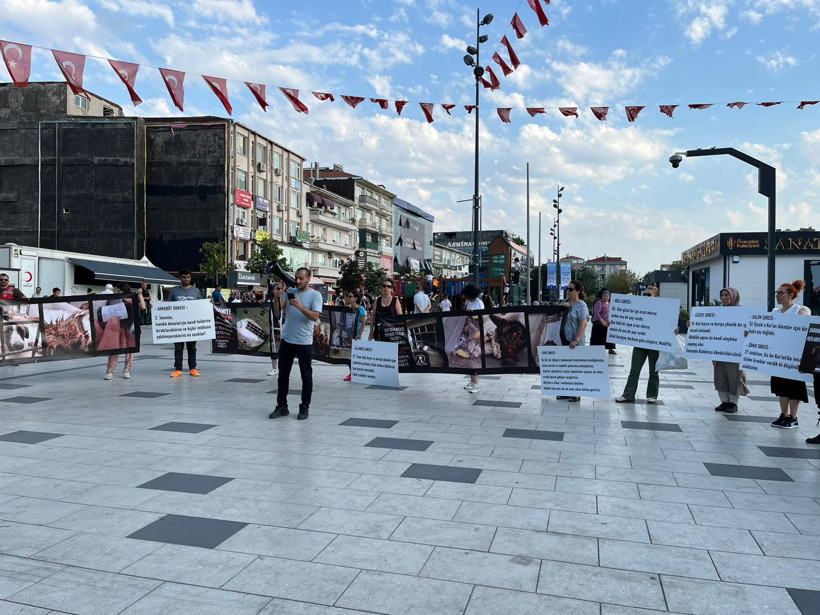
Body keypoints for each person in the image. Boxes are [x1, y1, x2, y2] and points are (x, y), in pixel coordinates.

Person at [269, 268, 323, 421]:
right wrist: (278, 296)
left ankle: (304, 406)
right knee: (283, 376)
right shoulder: (290, 291)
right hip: (287, 340)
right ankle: (281, 406)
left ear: (308, 279)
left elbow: (315, 316)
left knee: (306, 376)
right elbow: (277, 309)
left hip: (304, 342)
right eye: (296, 278)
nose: (298, 281)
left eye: (301, 278)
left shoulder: (315, 295)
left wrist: (300, 306)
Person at [770, 280, 810, 429]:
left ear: (790, 295)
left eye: (781, 293)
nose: (777, 296)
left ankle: (793, 417)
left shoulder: (799, 310)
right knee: (781, 386)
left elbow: (803, 328)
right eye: (777, 293)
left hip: (793, 357)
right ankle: (784, 415)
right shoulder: (775, 312)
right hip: (778, 356)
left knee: (794, 387)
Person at [616, 286, 662, 404]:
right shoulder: (638, 308)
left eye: (649, 295)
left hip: (655, 344)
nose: (646, 296)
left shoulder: (663, 310)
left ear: (656, 297)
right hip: (640, 343)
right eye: (645, 294)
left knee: (654, 371)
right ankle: (628, 394)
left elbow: (668, 327)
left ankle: (652, 394)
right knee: (634, 370)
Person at [713, 287, 749, 414]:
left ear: (733, 296)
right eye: (722, 295)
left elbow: (748, 327)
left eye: (727, 295)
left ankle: (733, 401)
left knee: (734, 374)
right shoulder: (717, 311)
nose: (724, 298)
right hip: (719, 348)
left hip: (735, 350)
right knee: (720, 373)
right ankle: (724, 400)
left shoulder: (741, 311)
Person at [104, 282, 145, 380]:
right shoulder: (113, 299)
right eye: (116, 290)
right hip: (117, 327)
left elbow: (143, 307)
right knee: (114, 350)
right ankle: (110, 371)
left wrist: (140, 295)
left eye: (119, 290)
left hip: (130, 327)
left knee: (130, 351)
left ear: (124, 290)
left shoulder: (131, 299)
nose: (116, 292)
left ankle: (127, 370)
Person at [557, 280, 590, 403]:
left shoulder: (582, 305)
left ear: (578, 291)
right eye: (567, 289)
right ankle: (565, 391)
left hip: (576, 341)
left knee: (575, 367)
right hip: (564, 339)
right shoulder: (565, 302)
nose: (568, 291)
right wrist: (561, 308)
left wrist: (576, 340)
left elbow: (584, 323)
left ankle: (576, 392)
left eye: (570, 289)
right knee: (565, 366)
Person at [169, 269, 202, 377]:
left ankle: (193, 368)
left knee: (192, 347)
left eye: (188, 277)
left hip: (192, 325)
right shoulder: (174, 291)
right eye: (184, 277)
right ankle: (178, 369)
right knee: (178, 347)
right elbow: (168, 307)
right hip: (178, 326)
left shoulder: (196, 291)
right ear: (180, 278)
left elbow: (201, 306)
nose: (186, 279)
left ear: (190, 278)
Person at [462, 283, 484, 394]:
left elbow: (481, 317)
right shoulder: (468, 303)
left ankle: (476, 384)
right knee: (469, 357)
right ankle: (472, 381)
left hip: (476, 334)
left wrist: (471, 313)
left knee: (474, 357)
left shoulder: (479, 303)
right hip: (469, 332)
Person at [343, 288, 366, 381]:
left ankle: (359, 372)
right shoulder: (348, 308)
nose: (348, 298)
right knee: (349, 355)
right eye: (348, 296)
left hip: (356, 335)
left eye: (350, 296)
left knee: (357, 355)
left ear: (355, 298)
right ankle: (352, 372)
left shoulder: (360, 309)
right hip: (349, 334)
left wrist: (360, 334)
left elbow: (364, 321)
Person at [590, 288, 617, 354]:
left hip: (607, 324)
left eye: (607, 296)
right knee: (599, 338)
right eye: (604, 295)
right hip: (599, 324)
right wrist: (602, 322)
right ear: (602, 296)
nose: (606, 297)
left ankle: (610, 349)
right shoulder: (599, 303)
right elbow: (596, 313)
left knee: (608, 338)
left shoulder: (609, 303)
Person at [267, 282, 285, 376]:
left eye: (280, 288)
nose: (278, 290)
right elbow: (275, 310)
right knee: (274, 347)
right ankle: (274, 368)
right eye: (276, 289)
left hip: (284, 329)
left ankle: (283, 368)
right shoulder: (271, 301)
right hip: (274, 329)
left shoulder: (285, 299)